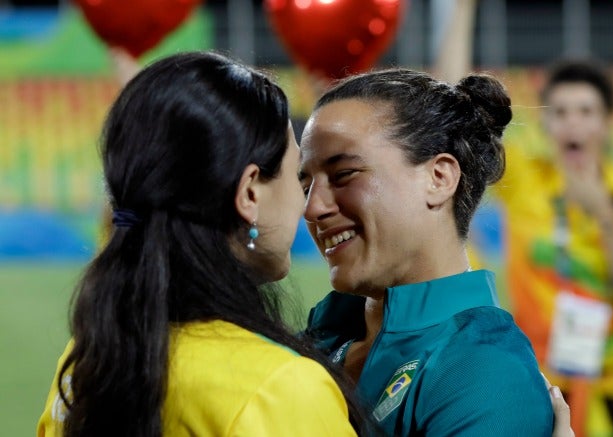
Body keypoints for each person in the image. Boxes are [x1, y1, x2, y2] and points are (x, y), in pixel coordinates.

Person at [37, 51, 367, 436]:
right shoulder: (279, 387)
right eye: (297, 176)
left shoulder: (84, 365)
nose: (307, 202)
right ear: (249, 194)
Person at [298, 67, 555, 436]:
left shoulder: (484, 371)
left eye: (344, 175)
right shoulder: (329, 327)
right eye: (306, 185)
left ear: (439, 179)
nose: (312, 208)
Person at [493, 59, 613, 436]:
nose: (572, 123)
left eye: (586, 111)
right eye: (560, 112)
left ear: (608, 122)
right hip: (534, 381)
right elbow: (454, 118)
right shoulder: (525, 179)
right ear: (546, 124)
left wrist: (605, 213)